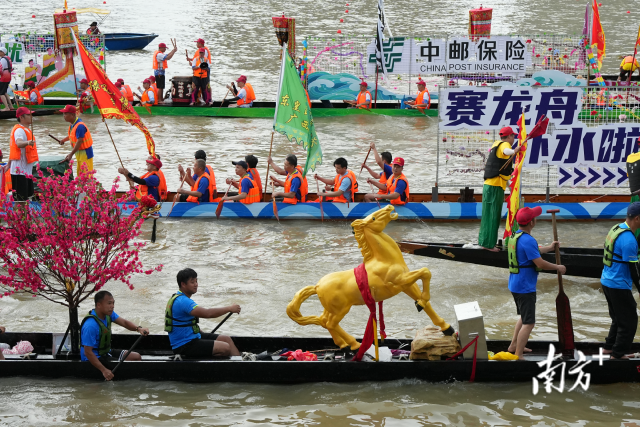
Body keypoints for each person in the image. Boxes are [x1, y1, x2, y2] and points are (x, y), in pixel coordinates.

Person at [506, 207, 565, 360]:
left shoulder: (515, 236)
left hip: (515, 284)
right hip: (525, 286)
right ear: (532, 222)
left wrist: (550, 248)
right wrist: (557, 267)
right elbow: (540, 262)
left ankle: (513, 345)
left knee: (523, 317)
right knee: (529, 323)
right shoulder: (528, 240)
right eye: (535, 218)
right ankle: (518, 355)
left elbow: (531, 252)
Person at [165, 268, 241, 358]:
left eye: (196, 281)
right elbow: (208, 313)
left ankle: (241, 362)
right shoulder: (183, 301)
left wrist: (201, 333)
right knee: (225, 348)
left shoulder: (180, 298)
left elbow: (186, 322)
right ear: (183, 284)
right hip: (184, 345)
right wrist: (229, 308)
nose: (196, 285)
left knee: (226, 339)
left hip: (192, 337)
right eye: (192, 282)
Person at [600, 202, 640, 360]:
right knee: (629, 320)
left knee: (617, 318)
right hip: (618, 283)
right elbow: (634, 270)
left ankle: (609, 348)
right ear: (637, 218)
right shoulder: (629, 240)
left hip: (606, 280)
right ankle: (617, 355)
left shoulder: (617, 228)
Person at [80, 290, 149, 381]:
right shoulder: (90, 325)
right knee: (128, 366)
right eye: (109, 303)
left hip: (106, 352)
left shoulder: (109, 314)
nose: (112, 306)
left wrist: (138, 328)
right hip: (94, 357)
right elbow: (88, 352)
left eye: (113, 303)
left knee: (136, 357)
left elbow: (124, 322)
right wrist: (104, 370)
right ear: (99, 305)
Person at [478, 126, 522, 251]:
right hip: (494, 188)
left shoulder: (495, 144)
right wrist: (515, 151)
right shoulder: (504, 145)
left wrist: (510, 189)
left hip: (489, 186)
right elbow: (507, 151)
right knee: (493, 215)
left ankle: (484, 242)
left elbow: (502, 172)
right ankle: (489, 245)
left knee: (487, 215)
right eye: (513, 136)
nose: (514, 138)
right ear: (509, 137)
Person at [9, 107, 38, 201]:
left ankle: (24, 215)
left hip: (26, 170)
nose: (31, 117)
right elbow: (18, 143)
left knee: (27, 198)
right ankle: (18, 215)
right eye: (29, 115)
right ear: (21, 117)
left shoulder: (26, 129)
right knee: (20, 200)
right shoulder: (19, 130)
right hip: (19, 170)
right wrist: (28, 142)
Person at [57, 105, 94, 176]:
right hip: (79, 153)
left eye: (65, 114)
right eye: (63, 114)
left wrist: (71, 154)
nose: (63, 116)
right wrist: (63, 140)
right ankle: (81, 187)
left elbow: (79, 141)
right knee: (80, 175)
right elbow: (72, 135)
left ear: (72, 115)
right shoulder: (73, 124)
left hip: (86, 153)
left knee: (87, 175)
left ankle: (91, 187)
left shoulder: (80, 126)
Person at [0, 47, 15, 111]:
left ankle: (6, 107)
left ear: (3, 52)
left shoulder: (2, 59)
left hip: (4, 77)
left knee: (1, 93)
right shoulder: (8, 58)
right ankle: (11, 106)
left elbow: (0, 69)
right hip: (8, 76)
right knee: (4, 92)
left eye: (0, 51)